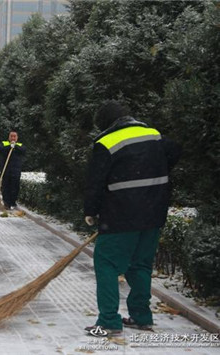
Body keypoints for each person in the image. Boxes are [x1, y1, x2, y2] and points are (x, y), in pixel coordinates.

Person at [83, 100, 181, 337]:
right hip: (153, 213)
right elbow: (176, 151)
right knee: (140, 265)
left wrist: (90, 211)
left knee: (106, 263)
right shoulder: (153, 135)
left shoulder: (106, 142)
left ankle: (108, 321)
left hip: (120, 215)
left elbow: (95, 183)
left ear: (105, 123)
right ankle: (141, 317)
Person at [0, 130, 26, 209]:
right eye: (11, 136)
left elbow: (23, 150)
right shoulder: (4, 144)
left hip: (16, 170)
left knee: (15, 186)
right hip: (6, 170)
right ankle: (6, 203)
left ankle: (13, 202)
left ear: (17, 138)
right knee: (5, 186)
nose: (13, 138)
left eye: (14, 136)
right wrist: (9, 146)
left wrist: (15, 146)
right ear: (9, 137)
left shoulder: (20, 145)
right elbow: (0, 150)